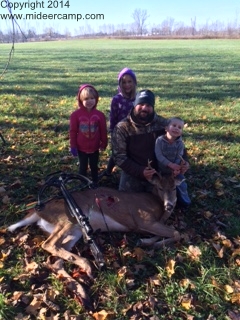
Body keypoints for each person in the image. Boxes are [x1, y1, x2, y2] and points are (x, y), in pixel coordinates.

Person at [112, 89, 190, 204]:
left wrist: (184, 163)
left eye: (148, 105)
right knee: (127, 204)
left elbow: (179, 146)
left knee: (177, 204)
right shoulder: (122, 128)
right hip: (134, 173)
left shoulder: (164, 124)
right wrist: (140, 171)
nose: (144, 108)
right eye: (141, 104)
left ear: (153, 107)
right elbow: (119, 157)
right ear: (134, 105)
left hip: (160, 174)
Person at [99, 67, 137, 178]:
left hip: (134, 131)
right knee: (117, 153)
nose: (127, 85)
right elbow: (113, 116)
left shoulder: (137, 98)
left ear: (134, 82)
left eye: (130, 81)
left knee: (131, 152)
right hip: (119, 131)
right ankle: (108, 171)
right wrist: (112, 130)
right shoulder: (117, 99)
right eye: (124, 82)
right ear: (120, 84)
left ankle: (130, 172)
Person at [69, 84, 108, 188]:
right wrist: (73, 146)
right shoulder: (75, 115)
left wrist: (104, 143)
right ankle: (82, 184)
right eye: (86, 98)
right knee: (83, 167)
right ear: (81, 100)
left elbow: (103, 130)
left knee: (94, 166)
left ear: (96, 99)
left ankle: (95, 183)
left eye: (92, 98)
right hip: (81, 148)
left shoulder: (100, 115)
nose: (90, 101)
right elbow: (73, 131)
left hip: (95, 148)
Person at [155, 116, 191, 207]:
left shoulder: (180, 144)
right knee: (159, 187)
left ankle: (184, 200)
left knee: (181, 185)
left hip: (174, 172)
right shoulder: (159, 141)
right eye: (174, 125)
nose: (176, 128)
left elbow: (179, 156)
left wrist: (176, 168)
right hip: (161, 171)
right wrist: (170, 164)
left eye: (179, 127)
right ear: (166, 128)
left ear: (181, 132)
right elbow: (159, 155)